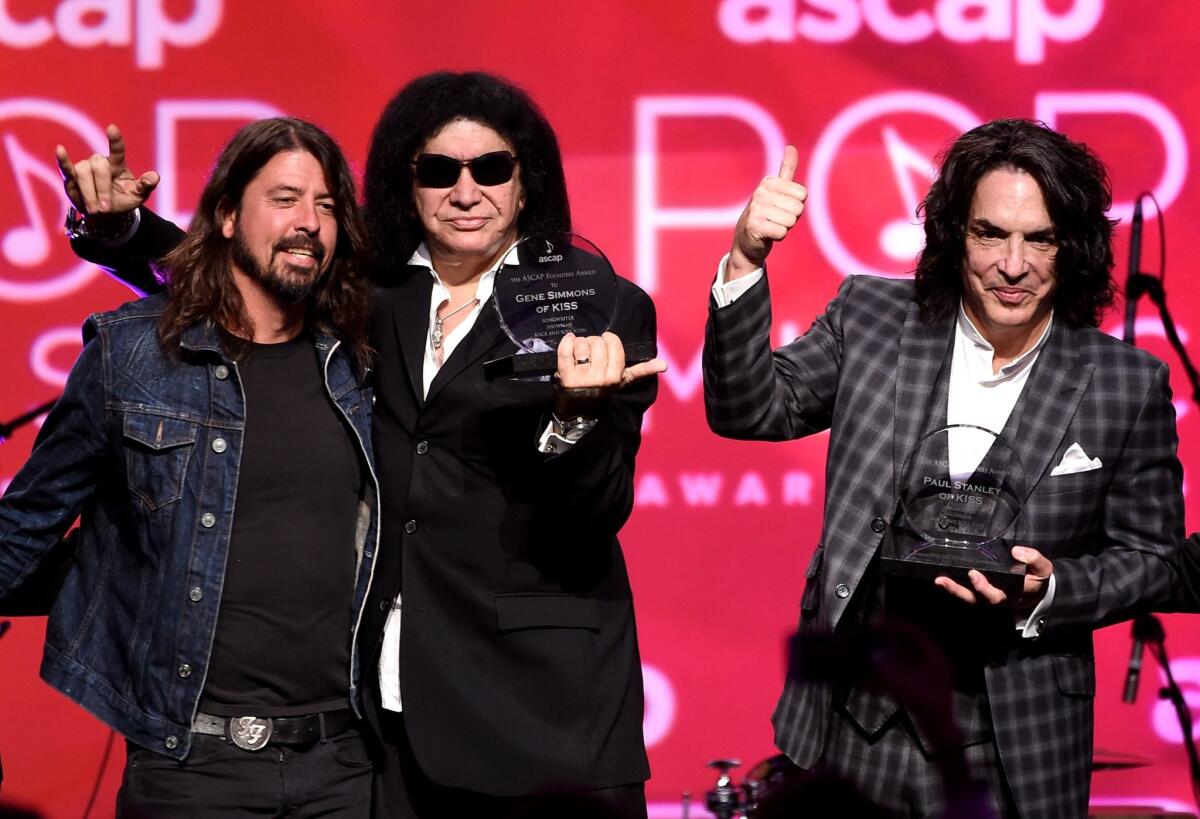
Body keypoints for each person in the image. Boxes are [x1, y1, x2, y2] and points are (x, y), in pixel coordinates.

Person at [61, 71, 664, 818]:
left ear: (526, 181)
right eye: (440, 171)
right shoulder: (371, 296)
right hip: (391, 717)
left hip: (545, 708)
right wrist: (122, 229)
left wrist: (574, 417)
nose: (466, 191)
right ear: (405, 186)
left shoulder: (599, 305)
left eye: (492, 169)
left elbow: (596, 511)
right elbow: (239, 274)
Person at [702, 118, 1184, 816]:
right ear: (955, 232)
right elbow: (749, 409)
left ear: (1070, 246)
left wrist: (1053, 589)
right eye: (990, 233)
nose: (1012, 265)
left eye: (1038, 238)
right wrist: (746, 258)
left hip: (1011, 736)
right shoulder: (871, 314)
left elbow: (1157, 559)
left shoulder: (1125, 383)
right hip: (849, 720)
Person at [2, 117, 378, 817]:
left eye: (327, 206)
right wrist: (119, 228)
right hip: (190, 767)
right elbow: (23, 526)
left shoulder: (360, 361)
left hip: (343, 766)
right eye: (287, 198)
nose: (309, 223)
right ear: (229, 215)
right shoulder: (133, 354)